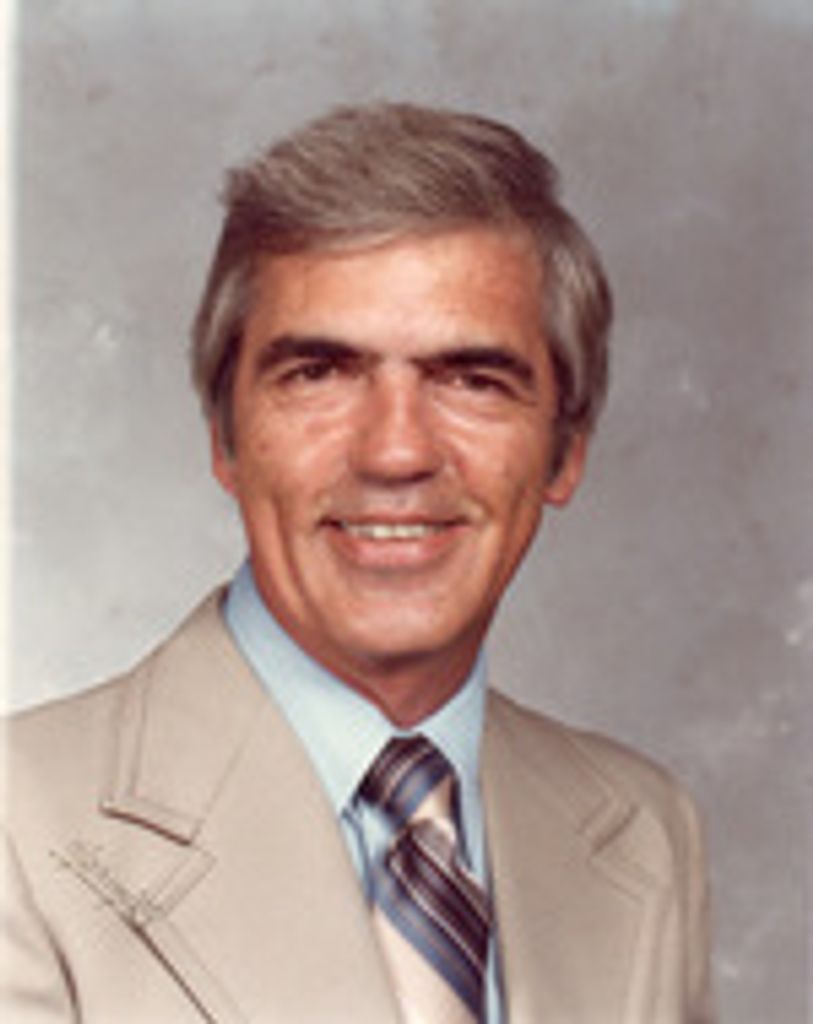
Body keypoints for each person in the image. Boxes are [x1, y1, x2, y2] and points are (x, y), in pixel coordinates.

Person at [1, 102, 714, 1023]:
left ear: (564, 451)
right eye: (319, 373)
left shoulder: (644, 832)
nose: (394, 452)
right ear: (224, 437)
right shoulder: (20, 829)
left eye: (471, 379)